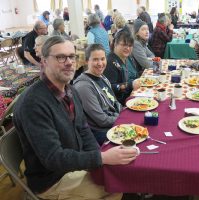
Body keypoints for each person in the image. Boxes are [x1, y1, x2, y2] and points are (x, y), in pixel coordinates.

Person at [13, 36, 138, 199]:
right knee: (117, 185)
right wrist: (102, 157)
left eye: (71, 56)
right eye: (60, 57)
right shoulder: (33, 103)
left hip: (75, 165)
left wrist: (99, 160)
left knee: (119, 172)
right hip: (53, 180)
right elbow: (54, 158)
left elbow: (84, 130)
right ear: (44, 61)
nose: (69, 62)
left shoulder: (70, 91)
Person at [74, 44, 122, 145]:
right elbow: (101, 120)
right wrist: (123, 118)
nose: (100, 63)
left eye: (102, 59)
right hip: (101, 133)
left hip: (114, 121)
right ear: (87, 61)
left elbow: (114, 102)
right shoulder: (84, 86)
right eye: (95, 59)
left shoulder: (102, 77)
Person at [104, 29, 141, 105]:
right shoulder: (110, 62)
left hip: (134, 95)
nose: (127, 48)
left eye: (130, 45)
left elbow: (135, 75)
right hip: (121, 103)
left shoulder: (128, 58)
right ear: (115, 44)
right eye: (124, 45)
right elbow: (109, 87)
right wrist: (130, 85)